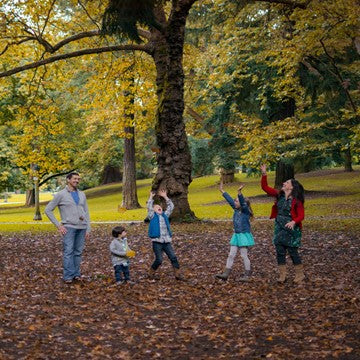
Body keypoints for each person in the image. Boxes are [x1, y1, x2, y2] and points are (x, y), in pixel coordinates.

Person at [260, 164, 305, 284]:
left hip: (291, 229)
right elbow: (265, 187)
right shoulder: (278, 195)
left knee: (292, 251)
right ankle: (282, 276)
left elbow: (301, 215)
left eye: (287, 182)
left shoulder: (297, 201)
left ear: (292, 187)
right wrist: (264, 173)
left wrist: (294, 221)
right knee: (279, 251)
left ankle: (300, 275)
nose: (284, 183)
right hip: (279, 227)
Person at [45, 172, 90, 284]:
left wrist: (88, 228)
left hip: (82, 227)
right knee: (68, 251)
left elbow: (86, 212)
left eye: (78, 179)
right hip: (69, 227)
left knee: (78, 252)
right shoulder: (60, 195)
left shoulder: (82, 194)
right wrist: (58, 225)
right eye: (74, 179)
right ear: (68, 180)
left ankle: (76, 274)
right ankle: (68, 276)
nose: (77, 181)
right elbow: (48, 210)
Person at [216, 182, 255, 281]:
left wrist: (239, 192)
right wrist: (222, 191)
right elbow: (229, 200)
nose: (235, 202)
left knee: (243, 255)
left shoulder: (245, 211)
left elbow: (242, 202)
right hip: (236, 235)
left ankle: (247, 275)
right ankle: (226, 273)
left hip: (243, 236)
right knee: (231, 255)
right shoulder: (236, 210)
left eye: (236, 201)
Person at [147, 189, 183, 280]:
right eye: (156, 207)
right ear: (153, 210)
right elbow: (149, 207)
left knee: (173, 257)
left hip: (166, 241)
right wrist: (151, 197)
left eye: (159, 206)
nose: (158, 207)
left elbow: (171, 206)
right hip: (157, 242)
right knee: (159, 260)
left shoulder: (165, 215)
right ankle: (151, 271)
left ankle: (177, 274)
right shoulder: (152, 216)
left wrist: (165, 196)